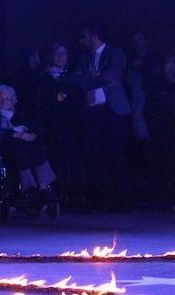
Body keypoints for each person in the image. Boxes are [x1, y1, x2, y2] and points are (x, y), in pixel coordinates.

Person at [73, 25, 134, 212]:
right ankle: (104, 200)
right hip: (93, 112)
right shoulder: (84, 58)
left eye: (84, 36)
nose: (81, 41)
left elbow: (112, 75)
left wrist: (92, 78)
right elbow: (76, 80)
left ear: (94, 35)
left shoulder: (116, 54)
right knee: (97, 156)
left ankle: (125, 201)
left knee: (115, 154)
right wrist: (97, 78)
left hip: (114, 111)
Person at [37, 43, 88, 211]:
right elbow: (46, 104)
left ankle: (79, 198)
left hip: (73, 127)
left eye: (64, 53)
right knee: (57, 163)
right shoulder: (44, 78)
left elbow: (77, 100)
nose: (60, 57)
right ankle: (60, 197)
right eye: (57, 54)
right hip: (55, 127)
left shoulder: (73, 77)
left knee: (76, 163)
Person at [0, 85, 57, 198]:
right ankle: (29, 188)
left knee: (37, 148)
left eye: (7, 99)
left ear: (12, 100)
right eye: (1, 99)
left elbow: (35, 127)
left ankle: (43, 187)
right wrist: (18, 135)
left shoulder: (20, 115)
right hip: (5, 145)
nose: (4, 102)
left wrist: (33, 134)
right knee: (21, 148)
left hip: (26, 144)